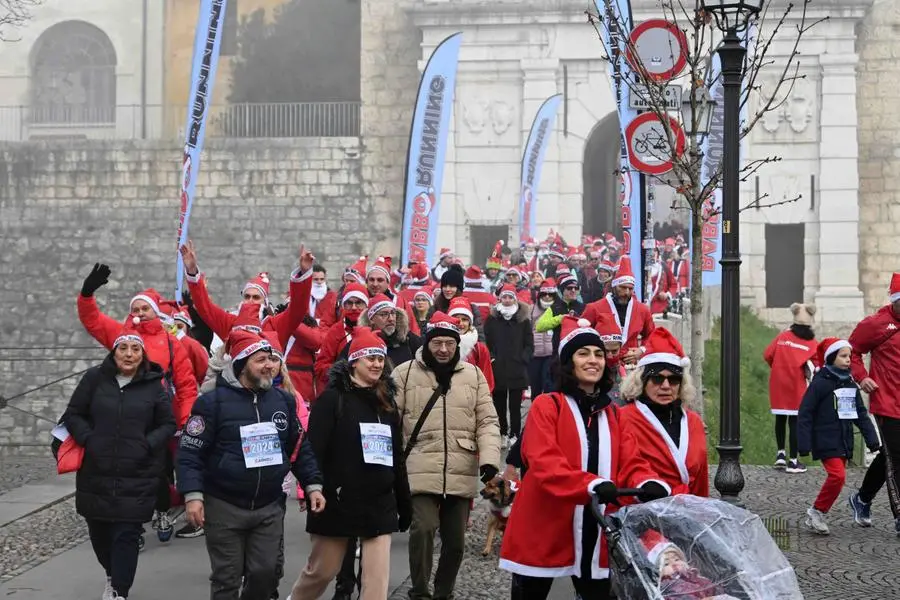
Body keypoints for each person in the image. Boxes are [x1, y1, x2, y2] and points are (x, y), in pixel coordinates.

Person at [499, 316, 669, 600]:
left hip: (596, 530)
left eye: (599, 354)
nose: (593, 360)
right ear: (568, 362)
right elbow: (544, 461)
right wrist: (590, 485)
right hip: (545, 526)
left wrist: (647, 483)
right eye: (583, 354)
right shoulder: (547, 405)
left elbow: (631, 462)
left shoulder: (614, 414)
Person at [176, 330, 325, 600]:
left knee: (266, 574)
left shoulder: (284, 401)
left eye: (272, 359)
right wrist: (193, 496)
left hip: (268, 505)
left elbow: (299, 448)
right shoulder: (211, 403)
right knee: (227, 578)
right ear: (242, 364)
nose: (269, 365)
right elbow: (190, 453)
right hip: (224, 504)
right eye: (261, 360)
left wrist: (312, 484)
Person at [290, 328, 412, 600]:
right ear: (353, 361)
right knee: (322, 571)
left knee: (376, 586)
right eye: (369, 358)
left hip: (379, 503)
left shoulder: (387, 403)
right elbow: (312, 450)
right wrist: (312, 489)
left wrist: (404, 503)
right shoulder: (332, 399)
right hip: (338, 502)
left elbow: (397, 457)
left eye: (380, 358)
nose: (377, 364)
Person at [78, 265, 197, 540]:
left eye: (145, 309)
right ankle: (131, 525)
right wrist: (86, 294)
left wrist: (186, 418)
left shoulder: (170, 343)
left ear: (156, 312)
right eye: (136, 309)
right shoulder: (121, 336)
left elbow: (187, 383)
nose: (140, 314)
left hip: (159, 414)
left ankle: (162, 511)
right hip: (125, 414)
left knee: (159, 469)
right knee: (124, 469)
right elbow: (93, 320)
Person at [62, 323, 176, 600]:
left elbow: (167, 423)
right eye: (123, 348)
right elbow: (73, 414)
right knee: (100, 535)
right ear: (113, 352)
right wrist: (90, 439)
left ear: (143, 354)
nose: (128, 354)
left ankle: (119, 591)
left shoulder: (154, 386)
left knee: (126, 535)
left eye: (135, 349)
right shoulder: (94, 379)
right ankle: (112, 575)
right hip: (96, 473)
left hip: (138, 474)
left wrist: (146, 444)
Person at [392, 312, 501, 600]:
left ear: (457, 345)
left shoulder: (473, 375)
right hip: (418, 462)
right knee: (423, 527)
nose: (443, 350)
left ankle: (443, 592)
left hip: (460, 464)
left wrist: (489, 460)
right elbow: (389, 419)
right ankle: (419, 590)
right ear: (427, 343)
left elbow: (487, 420)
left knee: (455, 542)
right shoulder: (403, 374)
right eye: (437, 343)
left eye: (449, 344)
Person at [799, 339, 880, 535]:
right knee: (838, 475)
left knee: (838, 478)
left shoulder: (850, 384)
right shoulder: (819, 384)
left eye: (849, 356)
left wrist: (872, 440)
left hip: (844, 440)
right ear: (831, 358)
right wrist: (803, 443)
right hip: (825, 439)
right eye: (843, 356)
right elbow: (805, 413)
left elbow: (860, 413)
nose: (847, 360)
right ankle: (816, 511)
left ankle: (818, 512)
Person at [618, 328, 708, 497]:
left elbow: (701, 481)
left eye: (674, 380)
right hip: (642, 512)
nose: (666, 386)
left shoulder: (693, 422)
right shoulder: (624, 419)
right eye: (658, 379)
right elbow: (624, 471)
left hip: (687, 512)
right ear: (642, 381)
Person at [180, 240, 315, 351]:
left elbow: (298, 308)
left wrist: (304, 274)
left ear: (265, 302)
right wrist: (192, 272)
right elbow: (204, 307)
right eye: (247, 296)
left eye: (256, 297)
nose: (250, 301)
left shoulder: (276, 324)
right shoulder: (230, 323)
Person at [847, 272, 900, 532]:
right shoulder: (876, 324)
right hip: (887, 402)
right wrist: (862, 377)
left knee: (889, 456)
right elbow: (852, 351)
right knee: (897, 458)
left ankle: (862, 498)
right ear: (895, 301)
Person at [763, 303, 817, 473]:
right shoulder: (812, 343)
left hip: (778, 381)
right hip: (796, 384)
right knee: (795, 421)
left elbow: (767, 354)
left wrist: (777, 367)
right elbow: (816, 365)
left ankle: (780, 455)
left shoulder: (783, 336)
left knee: (780, 417)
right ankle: (793, 461)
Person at [582, 256, 655, 368]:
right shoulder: (594, 308)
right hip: (602, 365)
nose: (626, 292)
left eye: (630, 289)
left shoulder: (642, 310)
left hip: (631, 366)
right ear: (614, 286)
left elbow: (651, 334)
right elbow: (582, 335)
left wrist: (641, 350)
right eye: (623, 287)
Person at [485, 285, 534, 448]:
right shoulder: (492, 319)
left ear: (515, 299)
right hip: (498, 367)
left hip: (516, 368)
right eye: (504, 297)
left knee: (514, 406)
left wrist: (523, 359)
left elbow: (529, 343)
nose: (507, 300)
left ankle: (515, 434)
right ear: (500, 298)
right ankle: (502, 433)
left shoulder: (523, 319)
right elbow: (488, 340)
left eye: (510, 297)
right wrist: (492, 357)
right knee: (499, 404)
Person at [315, 282, 369, 395]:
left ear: (366, 305)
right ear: (343, 305)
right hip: (342, 392)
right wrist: (343, 373)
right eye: (349, 303)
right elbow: (320, 366)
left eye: (359, 303)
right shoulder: (336, 331)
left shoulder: (373, 327)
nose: (354, 307)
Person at [359, 294, 422, 368]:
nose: (391, 319)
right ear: (371, 319)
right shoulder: (360, 343)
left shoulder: (409, 339)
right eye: (384, 314)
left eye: (393, 313)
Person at [448, 297, 494, 391]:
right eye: (456, 319)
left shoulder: (479, 349)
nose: (460, 323)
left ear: (470, 322)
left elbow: (487, 380)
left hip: (472, 397)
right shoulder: (441, 345)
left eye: (464, 319)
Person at [528, 279, 557, 399]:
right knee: (535, 385)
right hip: (534, 354)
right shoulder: (531, 310)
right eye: (544, 294)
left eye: (550, 295)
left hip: (551, 354)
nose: (547, 297)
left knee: (549, 385)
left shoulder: (557, 309)